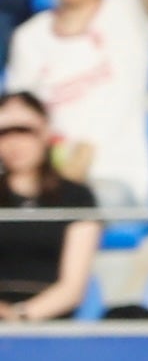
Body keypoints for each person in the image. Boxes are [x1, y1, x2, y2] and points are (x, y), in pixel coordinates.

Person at [9, 0, 148, 206]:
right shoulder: (29, 37)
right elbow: (21, 117)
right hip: (48, 181)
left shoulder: (127, 12)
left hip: (115, 178)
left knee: (73, 206)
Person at [0, 87, 97, 319]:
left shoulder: (76, 197)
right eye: (4, 133)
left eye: (24, 131)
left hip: (48, 325)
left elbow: (72, 288)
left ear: (45, 132)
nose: (14, 143)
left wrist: (20, 316)